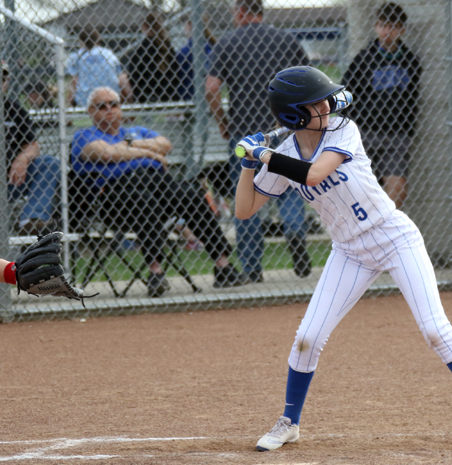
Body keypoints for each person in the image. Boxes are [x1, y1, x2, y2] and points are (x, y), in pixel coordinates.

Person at [235, 66, 452, 452]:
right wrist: (249, 167)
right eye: (316, 103)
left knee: (435, 330)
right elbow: (245, 209)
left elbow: (314, 174)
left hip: (394, 237)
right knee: (307, 338)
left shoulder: (342, 130)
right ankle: (289, 421)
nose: (327, 106)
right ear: (293, 114)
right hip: (349, 252)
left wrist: (262, 153)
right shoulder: (282, 155)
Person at [71, 87, 248, 297]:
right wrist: (150, 154)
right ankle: (156, 272)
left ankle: (223, 267)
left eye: (114, 104)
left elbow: (166, 145)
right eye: (102, 106)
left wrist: (131, 145)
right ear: (91, 111)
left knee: (191, 195)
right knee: (144, 201)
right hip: (116, 196)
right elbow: (107, 153)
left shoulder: (135, 131)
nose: (109, 109)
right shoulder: (83, 135)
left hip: (159, 185)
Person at [206, 0, 312, 282]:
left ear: (241, 11)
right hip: (285, 129)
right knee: (289, 185)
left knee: (249, 193)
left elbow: (211, 88)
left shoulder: (228, 42)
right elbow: (309, 82)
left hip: (246, 133)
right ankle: (294, 230)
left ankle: (252, 268)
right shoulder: (286, 40)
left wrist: (222, 121)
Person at [341, 2, 421, 209]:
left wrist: (407, 126)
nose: (387, 32)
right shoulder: (364, 59)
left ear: (402, 29)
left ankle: (382, 225)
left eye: (393, 27)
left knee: (398, 189)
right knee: (363, 187)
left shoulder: (410, 61)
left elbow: (412, 98)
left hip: (397, 134)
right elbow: (347, 93)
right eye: (383, 26)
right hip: (367, 133)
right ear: (376, 27)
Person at [4, 62, 61, 236]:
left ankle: (31, 222)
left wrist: (23, 158)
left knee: (49, 164)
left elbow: (33, 144)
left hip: (12, 179)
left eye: (3, 77)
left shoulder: (13, 108)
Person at [66, 25, 131, 107]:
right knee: (122, 77)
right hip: (111, 96)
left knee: (74, 80)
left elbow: (74, 80)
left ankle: (66, 114)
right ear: (98, 39)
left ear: (80, 41)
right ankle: (129, 109)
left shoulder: (77, 56)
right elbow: (119, 72)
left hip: (85, 100)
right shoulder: (108, 54)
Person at [127, 12, 182, 103]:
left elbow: (134, 73)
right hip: (169, 93)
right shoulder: (166, 46)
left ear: (144, 27)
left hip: (146, 95)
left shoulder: (144, 48)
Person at [176, 14, 216, 101]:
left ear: (190, 26)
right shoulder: (211, 46)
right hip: (211, 96)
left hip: (189, 96)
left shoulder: (185, 51)